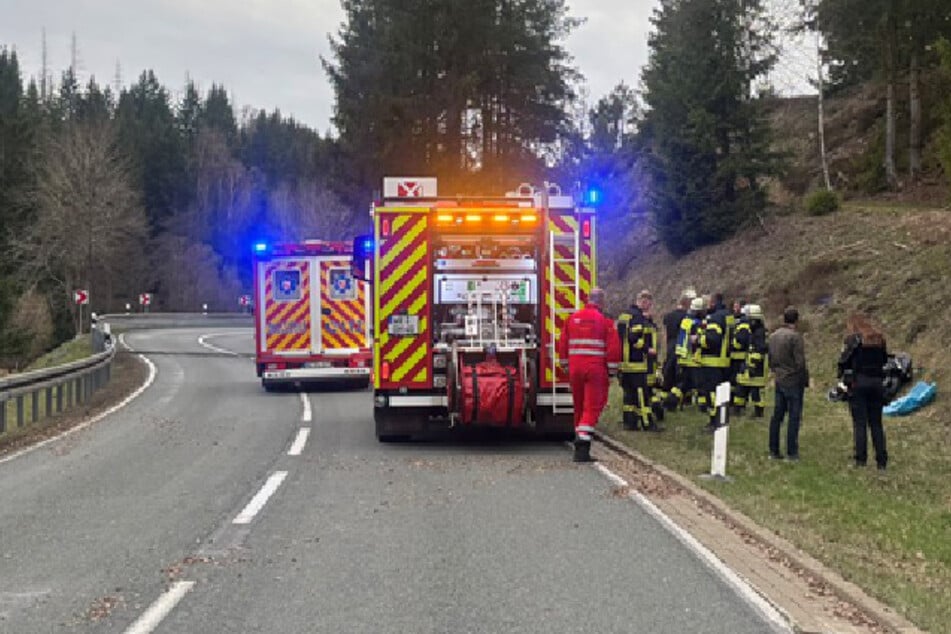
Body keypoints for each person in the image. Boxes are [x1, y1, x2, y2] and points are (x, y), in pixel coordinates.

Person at [557, 288, 621, 462]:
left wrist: (565, 365)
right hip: (596, 369)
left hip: (575, 368)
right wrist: (613, 371)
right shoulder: (606, 322)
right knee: (593, 406)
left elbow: (562, 344)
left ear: (588, 299)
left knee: (579, 405)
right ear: (602, 301)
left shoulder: (572, 319)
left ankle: (578, 437)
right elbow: (613, 349)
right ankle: (583, 445)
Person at [837, 313, 889, 470]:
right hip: (877, 383)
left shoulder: (853, 341)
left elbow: (843, 362)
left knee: (860, 423)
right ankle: (881, 459)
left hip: (859, 383)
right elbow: (885, 360)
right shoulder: (879, 340)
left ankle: (861, 458)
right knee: (876, 423)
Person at [617, 290, 663, 432]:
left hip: (624, 362)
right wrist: (646, 349)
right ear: (643, 302)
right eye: (647, 302)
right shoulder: (637, 317)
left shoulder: (624, 316)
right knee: (642, 394)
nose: (648, 305)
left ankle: (630, 423)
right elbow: (633, 338)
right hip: (637, 363)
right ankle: (647, 423)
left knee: (629, 395)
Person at [767, 306, 809, 461]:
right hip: (793, 380)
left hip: (779, 378)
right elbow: (800, 362)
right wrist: (804, 379)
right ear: (796, 320)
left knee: (777, 415)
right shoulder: (795, 337)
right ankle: (791, 452)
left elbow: (770, 359)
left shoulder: (773, 336)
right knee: (793, 417)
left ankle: (773, 449)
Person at [699, 294, 731, 431]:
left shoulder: (715, 318)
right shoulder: (728, 316)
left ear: (712, 303)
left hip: (713, 362)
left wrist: (698, 340)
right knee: (723, 394)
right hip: (725, 361)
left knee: (712, 394)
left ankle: (714, 422)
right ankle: (722, 420)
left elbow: (712, 339)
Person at [662, 290, 695, 411]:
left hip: (670, 347)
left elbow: (665, 334)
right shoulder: (687, 317)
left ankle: (664, 399)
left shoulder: (668, 316)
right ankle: (674, 402)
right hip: (682, 349)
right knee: (683, 377)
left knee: (669, 375)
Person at [735, 304, 768, 417]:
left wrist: (752, 365)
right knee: (741, 388)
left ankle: (758, 412)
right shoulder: (754, 331)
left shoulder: (759, 333)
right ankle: (738, 409)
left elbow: (760, 350)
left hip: (756, 368)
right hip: (749, 365)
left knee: (756, 391)